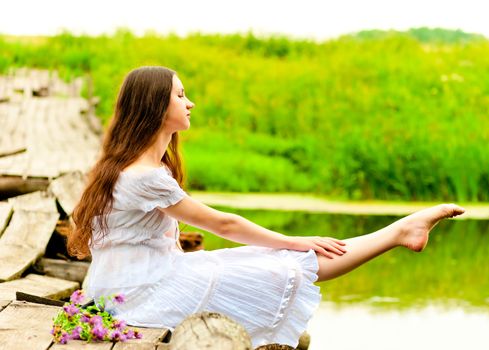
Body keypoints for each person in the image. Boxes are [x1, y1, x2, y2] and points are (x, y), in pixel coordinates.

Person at [67, 66, 465, 348]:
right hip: (138, 297)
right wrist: (292, 240)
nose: (190, 103)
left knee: (268, 261)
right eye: (181, 95)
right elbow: (224, 223)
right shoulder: (144, 175)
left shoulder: (134, 166)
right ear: (155, 106)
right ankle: (397, 232)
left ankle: (398, 231)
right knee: (285, 265)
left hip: (124, 291)